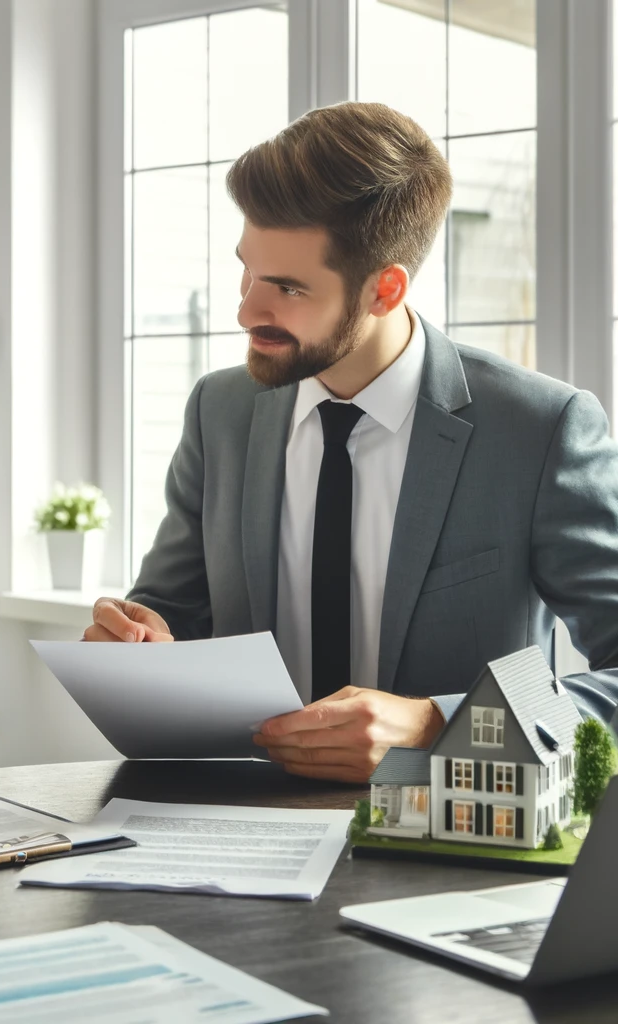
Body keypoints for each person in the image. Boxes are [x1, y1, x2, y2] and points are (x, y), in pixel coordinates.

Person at [85, 102, 618, 783]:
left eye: (285, 287)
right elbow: (173, 612)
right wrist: (134, 638)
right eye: (247, 270)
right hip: (234, 840)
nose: (245, 309)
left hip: (448, 853)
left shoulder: (542, 430)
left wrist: (438, 723)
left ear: (384, 289)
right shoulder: (218, 411)